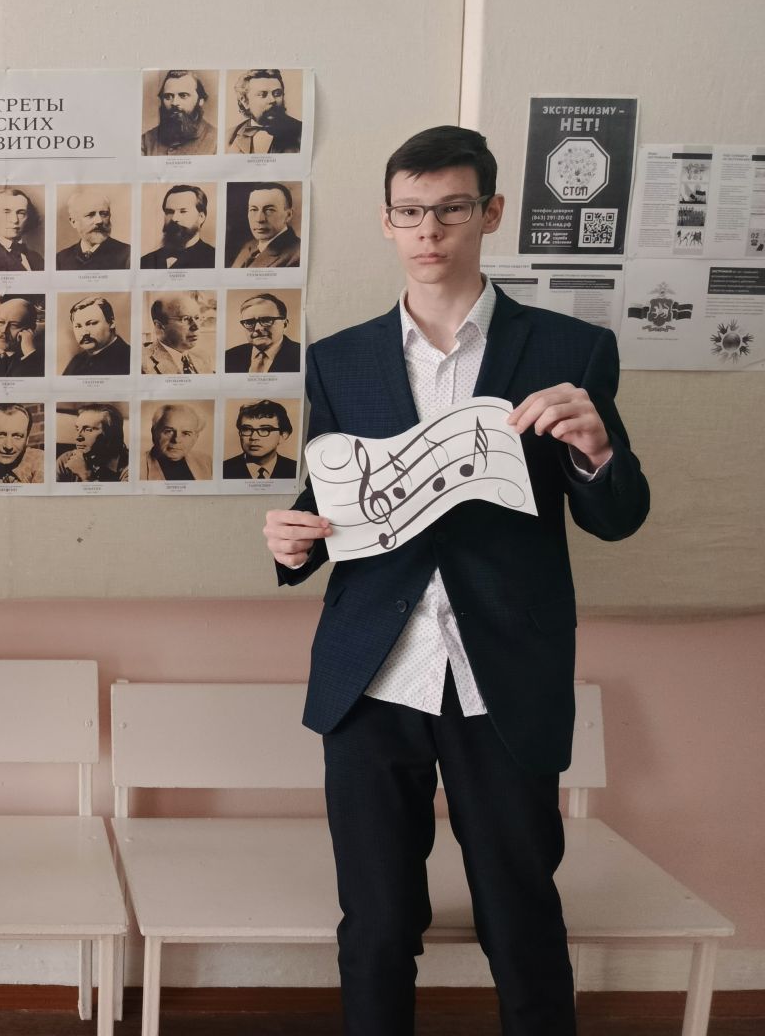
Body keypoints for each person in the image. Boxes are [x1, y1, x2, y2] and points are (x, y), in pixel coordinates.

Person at [262, 126, 649, 1035]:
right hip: (372, 673)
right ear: (386, 222)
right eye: (409, 213)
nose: (428, 231)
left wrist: (597, 452)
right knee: (375, 924)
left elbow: (619, 518)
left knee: (521, 917)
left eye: (450, 210)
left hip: (502, 671)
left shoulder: (571, 350)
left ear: (491, 213)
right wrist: (292, 540)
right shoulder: (340, 358)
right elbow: (332, 501)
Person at [141, 69, 218, 157]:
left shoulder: (217, 141)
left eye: (183, 95)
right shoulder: (146, 140)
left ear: (200, 100)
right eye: (168, 96)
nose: (174, 102)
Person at [227, 69, 303, 155]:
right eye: (263, 95)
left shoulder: (302, 131)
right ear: (245, 101)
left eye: (277, 94)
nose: (272, 100)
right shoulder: (229, 136)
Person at [140, 184, 216, 269]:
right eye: (169, 212)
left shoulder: (215, 259)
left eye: (183, 211)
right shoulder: (145, 262)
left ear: (201, 217)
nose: (174, 218)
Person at [54, 187, 131, 271]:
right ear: (73, 222)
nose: (99, 221)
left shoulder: (127, 254)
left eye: (104, 214)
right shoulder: (60, 260)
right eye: (90, 215)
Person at [224, 293, 303, 373]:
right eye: (249, 322)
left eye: (266, 320)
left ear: (284, 324)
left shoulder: (301, 354)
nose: (258, 328)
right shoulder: (229, 357)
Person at [230, 183, 303, 268]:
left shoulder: (298, 256)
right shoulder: (249, 246)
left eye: (269, 210)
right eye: (254, 209)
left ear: (288, 215)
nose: (259, 219)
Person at [223, 399, 297, 480]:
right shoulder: (224, 469)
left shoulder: (295, 469)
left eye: (265, 430)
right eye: (246, 429)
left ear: (283, 436)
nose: (254, 437)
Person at [0, 295, 44, 377]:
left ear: (31, 329)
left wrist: (30, 355)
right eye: (1, 322)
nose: (3, 330)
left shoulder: (39, 358)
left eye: (14, 325)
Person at [55, 403, 128, 483]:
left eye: (88, 430)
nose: (78, 437)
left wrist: (86, 476)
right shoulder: (66, 460)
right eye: (77, 429)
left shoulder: (129, 467)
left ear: (111, 434)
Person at [0, 403, 43, 484]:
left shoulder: (39, 461)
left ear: (27, 439)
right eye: (0, 435)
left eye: (17, 436)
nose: (8, 446)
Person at [62, 295, 131, 376]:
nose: (84, 333)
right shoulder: (76, 361)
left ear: (111, 322)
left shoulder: (129, 358)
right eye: (78, 326)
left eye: (92, 323)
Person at [140, 403, 211, 481]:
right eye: (169, 431)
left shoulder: (206, 462)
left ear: (195, 438)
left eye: (185, 433)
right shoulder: (137, 468)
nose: (176, 440)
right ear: (154, 433)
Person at [142, 292, 209, 375]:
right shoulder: (142, 364)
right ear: (159, 326)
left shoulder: (203, 357)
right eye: (185, 319)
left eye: (197, 318)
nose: (196, 327)